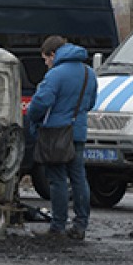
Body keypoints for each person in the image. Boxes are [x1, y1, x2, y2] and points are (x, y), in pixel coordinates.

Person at [27, 35, 98, 240]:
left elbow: (41, 102)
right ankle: (80, 225)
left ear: (53, 54)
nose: (46, 64)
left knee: (57, 179)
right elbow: (91, 102)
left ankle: (57, 226)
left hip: (56, 133)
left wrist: (32, 116)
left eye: (46, 59)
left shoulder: (55, 75)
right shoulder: (89, 73)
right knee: (78, 178)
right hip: (77, 133)